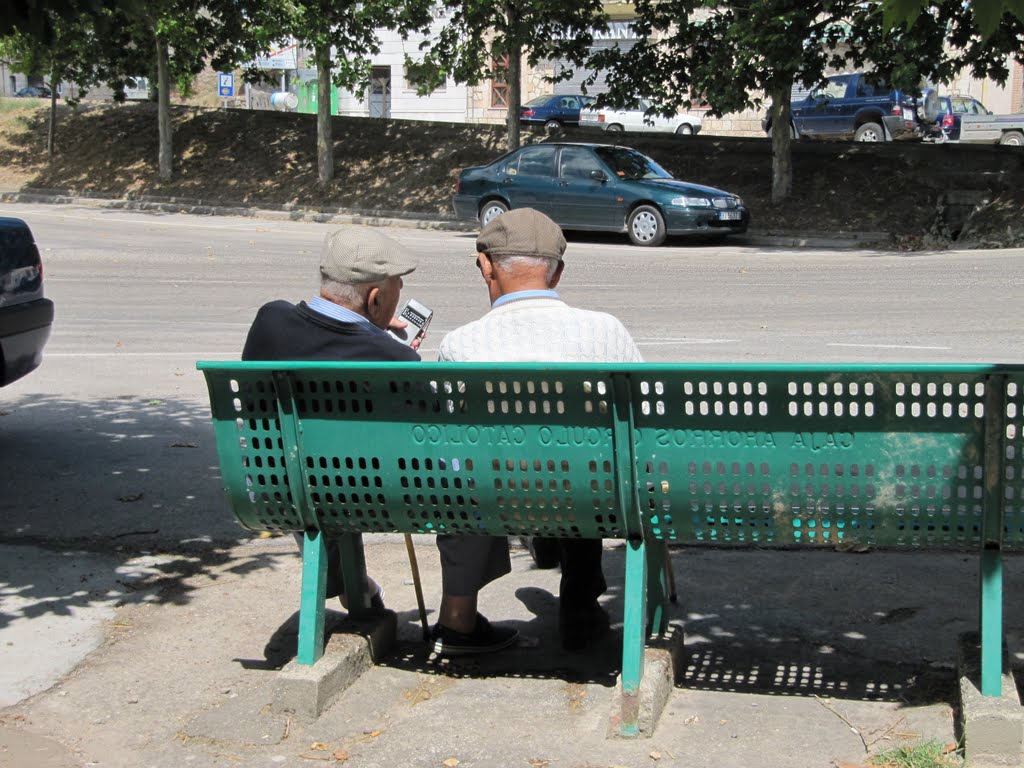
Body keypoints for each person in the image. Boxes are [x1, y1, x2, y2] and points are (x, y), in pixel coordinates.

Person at [242, 225, 518, 656]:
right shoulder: (393, 358)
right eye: (395, 289)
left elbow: (328, 338)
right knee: (470, 471)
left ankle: (356, 592)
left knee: (309, 474)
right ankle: (458, 624)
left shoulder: (269, 322)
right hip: (378, 495)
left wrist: (375, 335)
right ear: (375, 299)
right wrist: (391, 347)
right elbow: (435, 439)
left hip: (284, 488)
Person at [437, 208, 643, 651]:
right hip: (592, 496)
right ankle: (580, 605)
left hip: (497, 497)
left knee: (504, 469)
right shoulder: (605, 332)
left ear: (487, 265)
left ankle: (541, 543)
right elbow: (639, 429)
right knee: (586, 467)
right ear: (558, 272)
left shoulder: (460, 345)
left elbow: (450, 446)